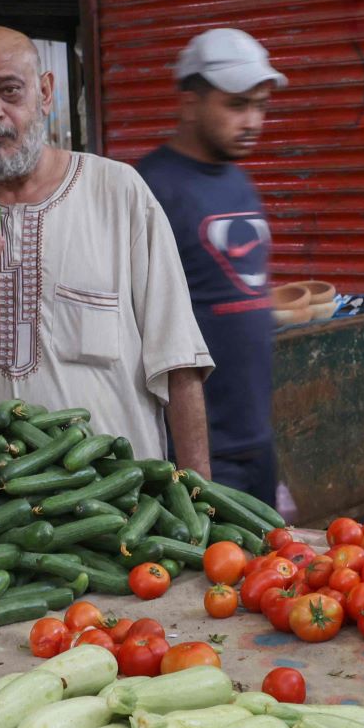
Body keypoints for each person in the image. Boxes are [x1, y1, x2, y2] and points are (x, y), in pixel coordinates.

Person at [0, 26, 214, 464]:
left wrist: (200, 507)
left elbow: (179, 362)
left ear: (46, 92)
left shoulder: (118, 192)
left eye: (10, 90)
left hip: (117, 504)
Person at [136, 29, 282, 506]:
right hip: (196, 451)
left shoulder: (240, 181)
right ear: (190, 103)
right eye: (237, 105)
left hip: (255, 441)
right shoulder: (148, 188)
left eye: (260, 105)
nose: (253, 121)